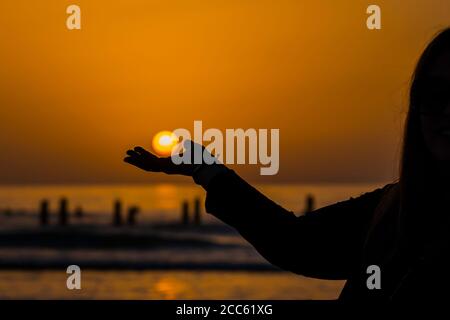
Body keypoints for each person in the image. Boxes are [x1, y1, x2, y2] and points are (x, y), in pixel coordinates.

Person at [124, 28, 450, 302]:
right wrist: (205, 168)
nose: (448, 110)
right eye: (436, 96)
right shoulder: (393, 210)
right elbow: (296, 244)